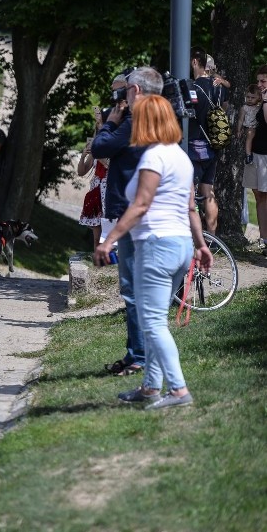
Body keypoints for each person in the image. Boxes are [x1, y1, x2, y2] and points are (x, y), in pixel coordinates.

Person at [94, 94, 213, 409]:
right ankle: (150, 388)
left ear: (148, 122)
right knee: (157, 319)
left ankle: (178, 390)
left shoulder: (153, 158)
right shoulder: (180, 157)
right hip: (181, 247)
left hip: (156, 246)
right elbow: (191, 208)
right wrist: (200, 245)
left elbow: (141, 205)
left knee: (153, 323)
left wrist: (109, 240)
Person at [91, 66, 163, 377]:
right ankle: (139, 353)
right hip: (147, 210)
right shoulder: (159, 119)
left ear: (134, 92)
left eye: (123, 92)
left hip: (133, 212)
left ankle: (140, 357)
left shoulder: (134, 121)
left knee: (133, 290)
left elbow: (99, 148)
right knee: (137, 289)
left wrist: (109, 123)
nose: (119, 98)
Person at [188, 47, 219, 234]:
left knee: (189, 192)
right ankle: (212, 238)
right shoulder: (218, 87)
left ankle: (194, 237)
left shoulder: (194, 87)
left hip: (195, 145)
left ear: (194, 62)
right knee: (209, 192)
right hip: (213, 144)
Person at [243, 65, 267, 255]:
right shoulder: (258, 101)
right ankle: (263, 238)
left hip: (266, 156)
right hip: (256, 153)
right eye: (258, 81)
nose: (259, 85)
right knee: (258, 195)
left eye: (263, 81)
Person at [238, 84, 261, 165]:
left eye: (253, 97)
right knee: (250, 135)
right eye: (248, 97)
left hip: (257, 127)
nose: (250, 99)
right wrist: (239, 130)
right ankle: (248, 155)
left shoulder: (259, 107)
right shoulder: (244, 108)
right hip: (249, 127)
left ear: (258, 97)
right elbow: (241, 120)